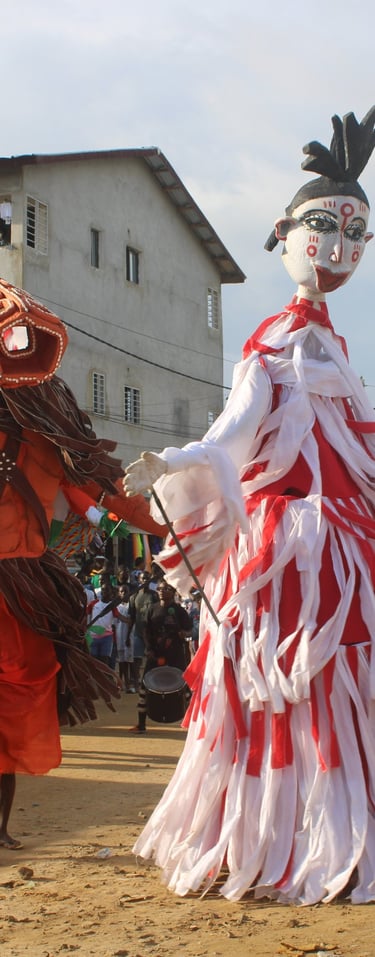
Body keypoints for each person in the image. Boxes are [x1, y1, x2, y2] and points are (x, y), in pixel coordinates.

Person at [124, 107, 375, 904]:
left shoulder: (335, 347)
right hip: (283, 552)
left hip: (337, 546)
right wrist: (180, 461)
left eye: (356, 236)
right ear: (285, 233)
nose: (338, 250)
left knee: (339, 683)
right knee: (279, 684)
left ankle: (331, 831)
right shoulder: (270, 341)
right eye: (324, 230)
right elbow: (234, 432)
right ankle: (274, 834)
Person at [0, 277, 167, 848]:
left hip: (22, 590)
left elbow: (106, 494)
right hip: (23, 590)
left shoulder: (46, 443)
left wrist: (179, 522)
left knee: (19, 707)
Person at [131, 579, 192, 733]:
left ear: (172, 592)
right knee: (144, 687)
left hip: (175, 654)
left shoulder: (179, 611)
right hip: (155, 654)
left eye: (165, 589)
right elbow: (145, 631)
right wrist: (149, 649)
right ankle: (141, 724)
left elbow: (190, 630)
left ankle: (193, 724)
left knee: (185, 688)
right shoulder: (152, 609)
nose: (161, 591)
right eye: (159, 589)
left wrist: (183, 634)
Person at [125, 571, 159, 693]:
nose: (145, 581)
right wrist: (128, 636)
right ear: (139, 580)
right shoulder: (133, 597)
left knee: (153, 658)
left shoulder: (154, 596)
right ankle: (136, 683)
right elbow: (132, 618)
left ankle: (153, 683)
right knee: (136, 659)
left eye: (147, 579)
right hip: (138, 633)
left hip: (151, 633)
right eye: (143, 579)